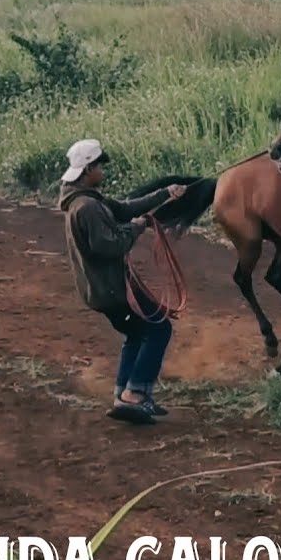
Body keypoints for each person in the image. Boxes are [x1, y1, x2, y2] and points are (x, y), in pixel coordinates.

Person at [57, 138, 185, 425]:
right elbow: (110, 246)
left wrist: (165, 193)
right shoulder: (87, 207)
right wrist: (136, 228)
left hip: (103, 289)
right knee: (159, 329)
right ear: (88, 168)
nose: (103, 171)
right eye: (100, 166)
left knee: (138, 334)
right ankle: (134, 394)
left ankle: (125, 394)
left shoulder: (85, 199)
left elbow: (125, 208)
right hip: (113, 290)